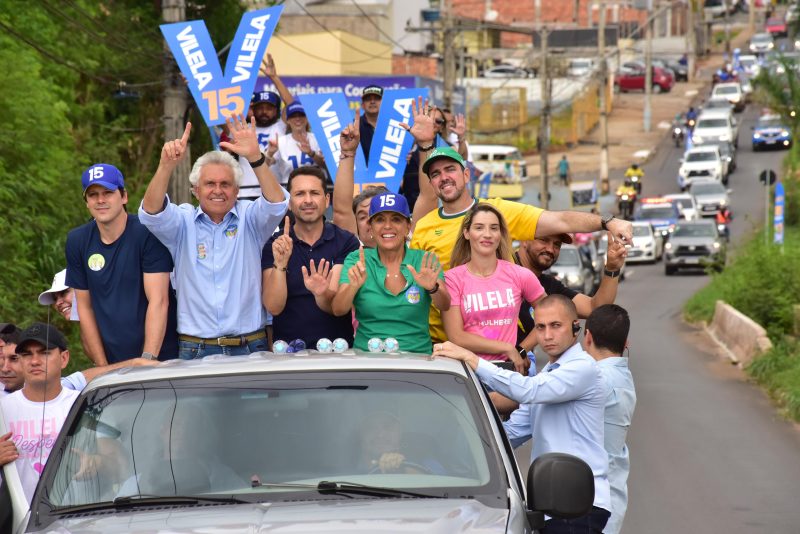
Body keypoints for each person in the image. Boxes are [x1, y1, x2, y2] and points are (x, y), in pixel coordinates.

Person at [410, 147, 633, 344]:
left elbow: (560, 220)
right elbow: (417, 288)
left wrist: (608, 222)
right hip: (442, 345)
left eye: (450, 169)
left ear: (466, 174)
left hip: (502, 351)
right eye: (436, 174)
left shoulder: (501, 216)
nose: (444, 177)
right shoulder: (424, 228)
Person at [434, 295, 611, 533]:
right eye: (540, 327)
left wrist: (473, 360)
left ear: (575, 328)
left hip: (580, 505)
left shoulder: (582, 368)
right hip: (550, 507)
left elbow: (528, 390)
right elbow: (509, 436)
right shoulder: (549, 374)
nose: (547, 335)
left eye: (556, 326)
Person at [139, 116, 289, 359]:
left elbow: (277, 203)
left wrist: (255, 158)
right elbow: (151, 212)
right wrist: (165, 166)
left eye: (225, 184)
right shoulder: (183, 222)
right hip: (195, 348)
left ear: (237, 191)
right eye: (209, 184)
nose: (218, 190)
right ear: (196, 190)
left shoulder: (251, 218)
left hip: (249, 346)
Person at [65, 163, 178, 364]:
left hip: (161, 358)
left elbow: (159, 301)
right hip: (112, 362)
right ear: (86, 202)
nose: (100, 200)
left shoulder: (148, 233)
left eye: (108, 192)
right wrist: (103, 367)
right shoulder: (77, 241)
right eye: (93, 195)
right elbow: (85, 308)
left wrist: (148, 359)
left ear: (123, 196)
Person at [332, 192, 450, 353]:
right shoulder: (357, 259)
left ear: (408, 226)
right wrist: (352, 286)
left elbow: (445, 305)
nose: (387, 226)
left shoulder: (424, 259)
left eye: (396, 219)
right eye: (380, 220)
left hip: (418, 361)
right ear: (371, 227)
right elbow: (338, 309)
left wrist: (433, 288)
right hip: (368, 360)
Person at [262, 166, 359, 348]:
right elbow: (273, 307)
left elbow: (338, 306)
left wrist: (322, 292)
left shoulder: (346, 241)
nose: (308, 200)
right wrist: (280, 264)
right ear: (290, 202)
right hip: (288, 355)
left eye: (314, 193)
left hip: (338, 353)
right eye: (299, 194)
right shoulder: (275, 244)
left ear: (327, 199)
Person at [442, 204, 544, 373]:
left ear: (500, 235)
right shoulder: (452, 279)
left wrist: (522, 348)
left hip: (509, 369)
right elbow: (456, 336)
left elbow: (549, 313)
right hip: (469, 371)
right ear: (467, 233)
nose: (487, 234)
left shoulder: (520, 274)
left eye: (494, 228)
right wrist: (505, 347)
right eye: (479, 227)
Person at [332, 97, 438, 246]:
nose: (373, 222)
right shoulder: (352, 250)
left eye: (383, 216)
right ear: (354, 225)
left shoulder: (412, 243)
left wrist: (426, 144)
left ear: (407, 225)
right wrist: (347, 153)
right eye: (363, 217)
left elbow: (429, 197)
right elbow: (341, 210)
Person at [584, 305, 636, 534]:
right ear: (626, 343)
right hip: (612, 499)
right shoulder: (622, 377)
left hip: (592, 507)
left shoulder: (596, 380)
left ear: (587, 337)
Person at [265, 101, 326, 186]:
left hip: (315, 187)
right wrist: (270, 153)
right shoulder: (281, 141)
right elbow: (265, 166)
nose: (297, 119)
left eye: (301, 115)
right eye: (293, 116)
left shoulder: (318, 139)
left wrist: (311, 153)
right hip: (289, 190)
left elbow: (326, 166)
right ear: (288, 121)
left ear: (307, 118)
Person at [359, 84, 383, 163]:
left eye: (377, 99)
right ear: (362, 105)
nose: (372, 102)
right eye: (368, 99)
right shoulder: (353, 126)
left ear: (384, 102)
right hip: (361, 175)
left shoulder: (395, 124)